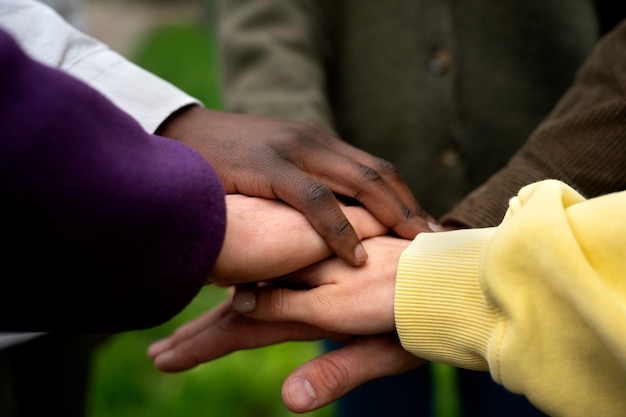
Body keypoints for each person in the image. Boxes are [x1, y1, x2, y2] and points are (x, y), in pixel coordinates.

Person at [147, 15, 626, 417]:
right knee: (371, 388)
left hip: (552, 212)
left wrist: (466, 253)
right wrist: (300, 189)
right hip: (350, 234)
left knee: (533, 387)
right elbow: (268, 24)